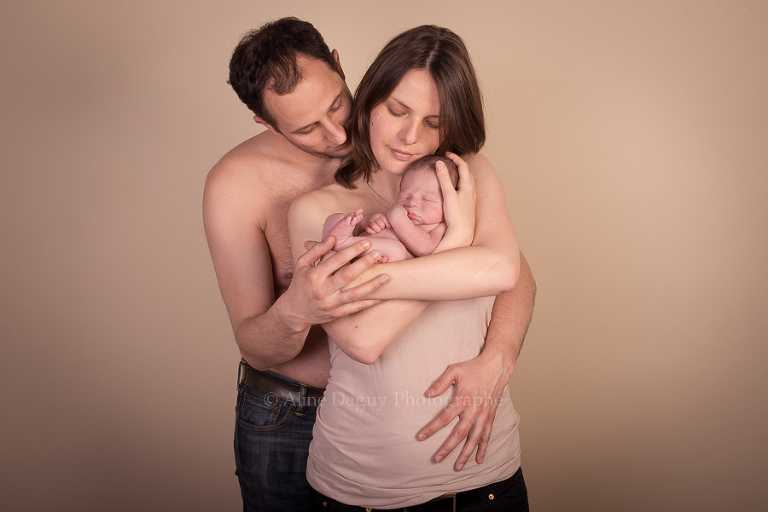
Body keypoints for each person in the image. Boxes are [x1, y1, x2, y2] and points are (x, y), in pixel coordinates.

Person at [203, 17, 536, 512]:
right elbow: (259, 341)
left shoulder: (431, 164)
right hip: (292, 413)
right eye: (307, 127)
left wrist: (499, 357)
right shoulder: (238, 185)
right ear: (268, 124)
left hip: (430, 430)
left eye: (338, 104)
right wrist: (297, 308)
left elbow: (511, 274)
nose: (337, 132)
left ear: (340, 66)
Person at [323, 155, 459, 262]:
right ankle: (333, 244)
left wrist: (397, 217)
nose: (412, 203)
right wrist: (368, 221)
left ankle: (342, 244)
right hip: (362, 248)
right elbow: (364, 229)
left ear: (448, 203)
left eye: (427, 200)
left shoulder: (439, 227)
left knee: (396, 250)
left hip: (381, 256)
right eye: (405, 196)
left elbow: (424, 249)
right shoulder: (400, 212)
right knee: (336, 217)